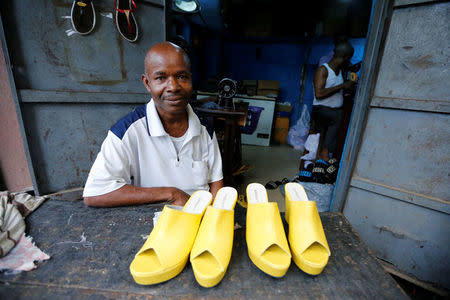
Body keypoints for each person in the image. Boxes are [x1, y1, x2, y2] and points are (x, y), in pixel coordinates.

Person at [83, 42, 224, 207]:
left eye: (181, 76)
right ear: (147, 83)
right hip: (154, 221)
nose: (173, 87)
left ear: (190, 79)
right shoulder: (128, 131)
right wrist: (172, 194)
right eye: (161, 78)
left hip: (200, 219)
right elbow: (95, 193)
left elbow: (216, 182)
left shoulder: (204, 129)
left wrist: (212, 216)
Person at [312, 41, 356, 164]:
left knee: (343, 115)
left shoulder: (340, 72)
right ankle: (325, 152)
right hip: (320, 109)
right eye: (349, 59)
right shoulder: (323, 70)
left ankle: (324, 155)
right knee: (339, 117)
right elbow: (319, 94)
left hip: (331, 110)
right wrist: (342, 86)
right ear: (344, 58)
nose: (349, 62)